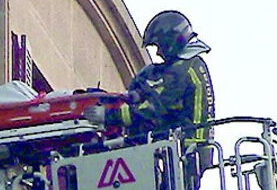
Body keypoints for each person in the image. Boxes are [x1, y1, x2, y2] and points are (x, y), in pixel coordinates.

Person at [86, 10, 215, 143]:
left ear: (170, 42)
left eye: (160, 46)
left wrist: (107, 116)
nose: (158, 53)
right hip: (189, 148)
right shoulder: (190, 64)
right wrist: (136, 95)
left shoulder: (184, 69)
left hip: (188, 150)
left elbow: (153, 108)